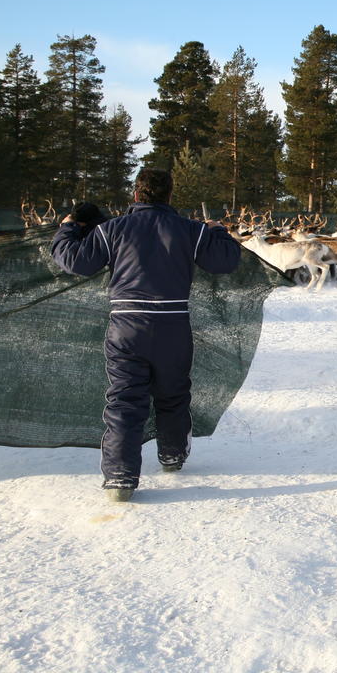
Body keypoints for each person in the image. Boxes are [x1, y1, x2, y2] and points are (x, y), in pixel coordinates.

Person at [51, 169, 241, 501]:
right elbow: (226, 260)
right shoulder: (191, 231)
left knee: (125, 400)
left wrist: (68, 226)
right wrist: (218, 230)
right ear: (169, 196)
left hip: (127, 326)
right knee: (173, 394)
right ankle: (172, 455)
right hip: (173, 325)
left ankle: (120, 477)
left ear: (137, 194)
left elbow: (74, 261)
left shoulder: (111, 229)